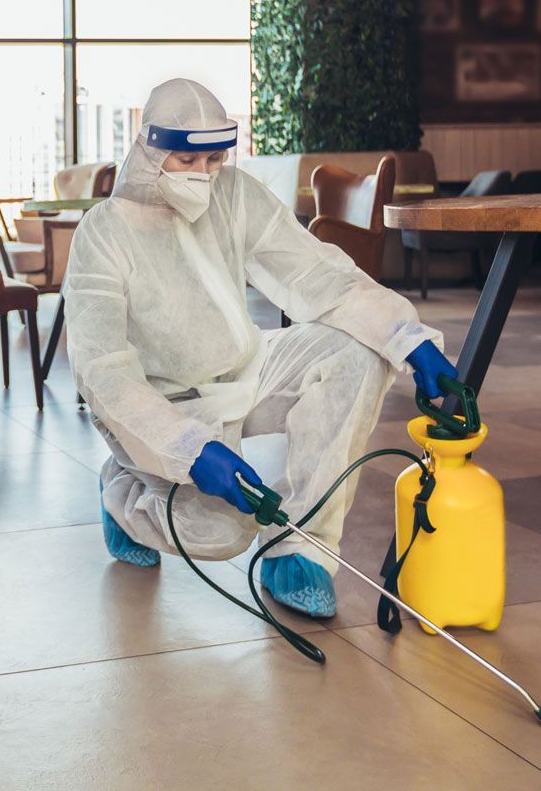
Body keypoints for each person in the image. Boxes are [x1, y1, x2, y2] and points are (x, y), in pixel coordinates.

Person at [62, 79, 458, 617]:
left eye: (215, 159)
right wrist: (187, 449)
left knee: (356, 354)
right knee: (221, 534)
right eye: (186, 160)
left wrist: (407, 340)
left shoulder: (235, 194)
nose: (203, 175)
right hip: (165, 402)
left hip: (247, 366)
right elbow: (103, 372)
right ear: (152, 151)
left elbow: (319, 274)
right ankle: (124, 494)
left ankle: (300, 549)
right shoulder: (103, 234)